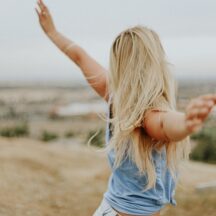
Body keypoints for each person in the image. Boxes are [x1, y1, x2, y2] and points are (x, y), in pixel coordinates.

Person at [35, 1, 216, 215]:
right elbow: (167, 125)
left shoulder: (114, 95)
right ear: (156, 64)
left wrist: (52, 32)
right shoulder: (148, 114)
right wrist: (185, 123)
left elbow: (79, 56)